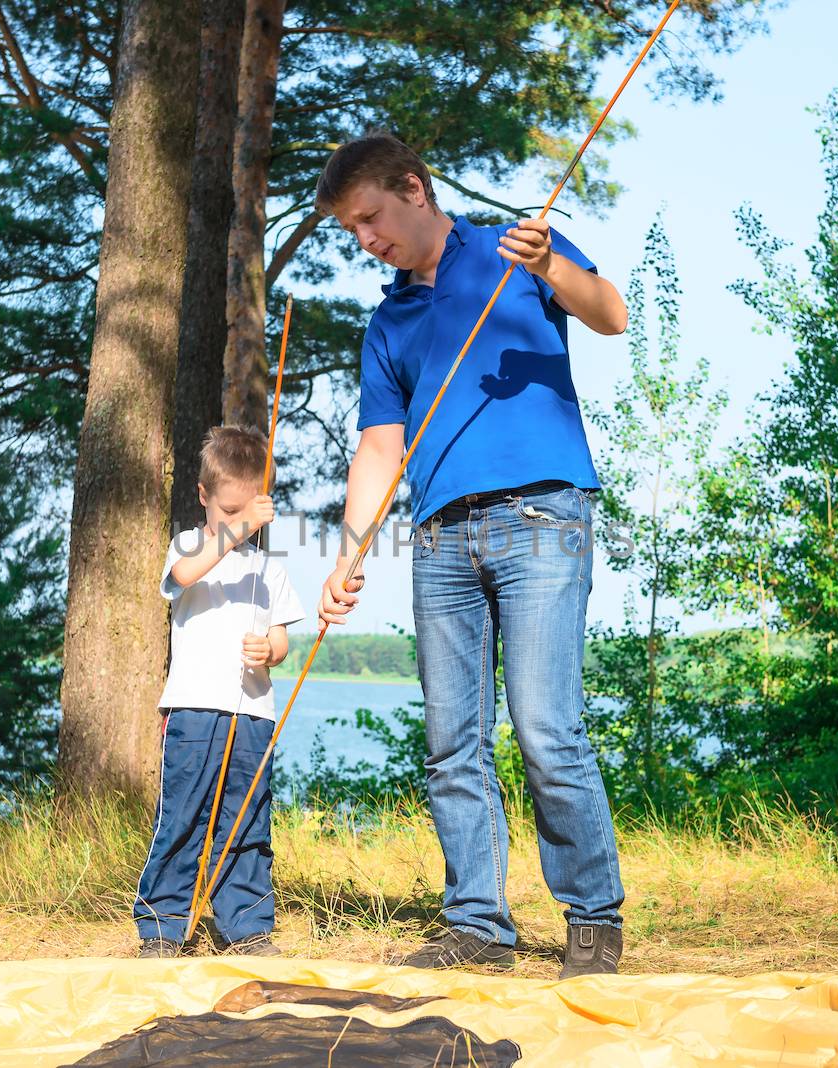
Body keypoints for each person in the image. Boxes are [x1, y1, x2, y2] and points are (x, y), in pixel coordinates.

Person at [314, 134, 629, 978]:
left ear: (414, 188)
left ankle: (593, 922)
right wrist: (348, 553)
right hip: (438, 538)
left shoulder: (514, 247)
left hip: (542, 517)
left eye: (370, 217)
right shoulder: (389, 322)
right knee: (452, 741)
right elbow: (380, 448)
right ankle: (478, 927)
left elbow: (610, 312)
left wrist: (554, 268)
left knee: (545, 730)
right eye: (352, 230)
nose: (365, 239)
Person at [134, 425, 304, 958]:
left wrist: (270, 650)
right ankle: (161, 928)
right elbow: (185, 574)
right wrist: (234, 530)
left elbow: (281, 635)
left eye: (246, 512)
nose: (236, 523)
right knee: (181, 816)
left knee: (247, 820)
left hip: (253, 714)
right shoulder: (188, 546)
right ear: (203, 496)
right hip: (193, 710)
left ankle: (247, 928)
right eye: (226, 511)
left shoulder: (267, 570)